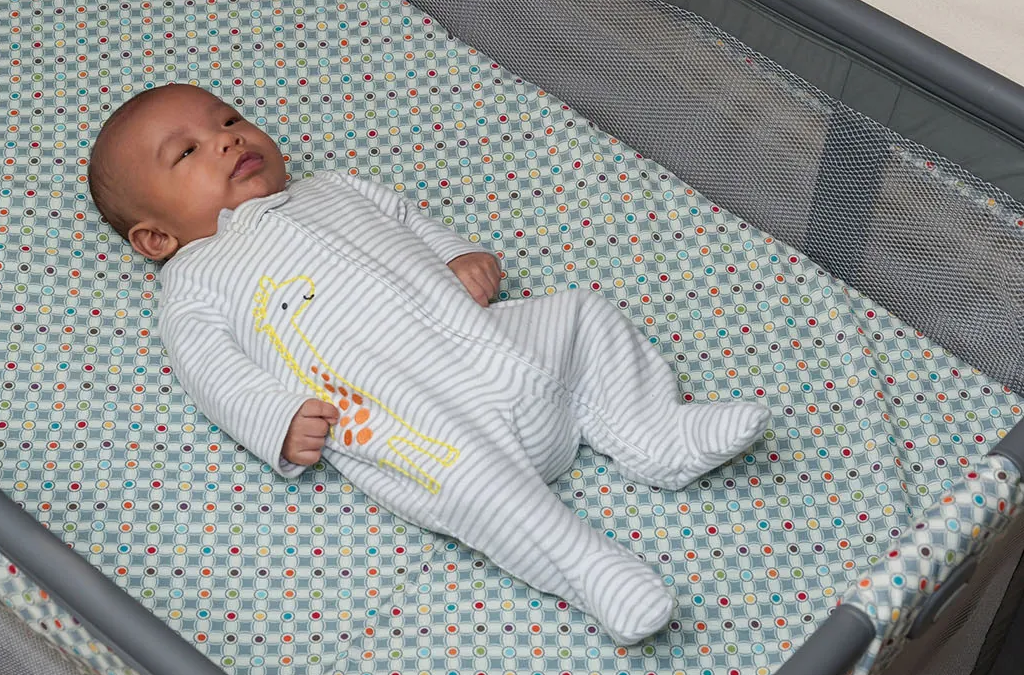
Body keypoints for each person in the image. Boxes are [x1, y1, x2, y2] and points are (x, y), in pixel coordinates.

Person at [87, 83, 771, 644]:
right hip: (403, 421)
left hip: (493, 348)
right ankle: (591, 570)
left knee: (583, 315)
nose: (229, 138)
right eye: (188, 151)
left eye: (230, 119)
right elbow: (210, 369)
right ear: (156, 237)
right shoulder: (195, 276)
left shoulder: (333, 187)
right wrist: (275, 417)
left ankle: (653, 431)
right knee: (477, 485)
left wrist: (457, 256)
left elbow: (408, 221)